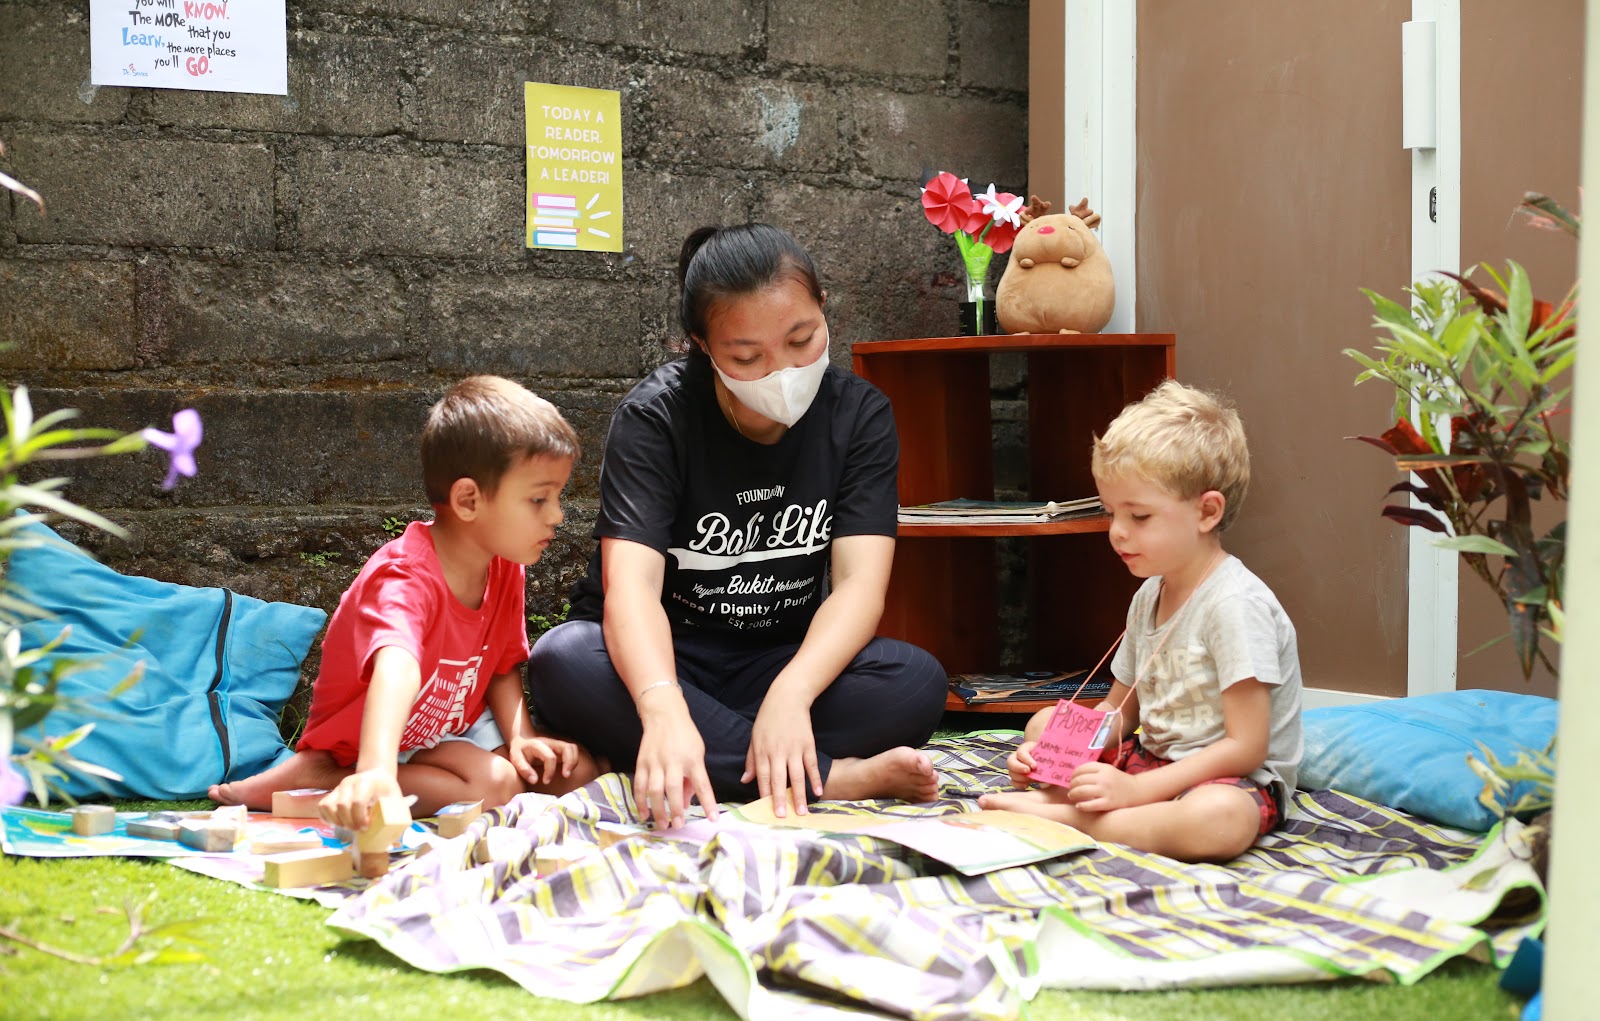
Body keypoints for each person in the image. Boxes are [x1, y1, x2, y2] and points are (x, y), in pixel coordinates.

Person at [527, 223, 948, 828]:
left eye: (802, 339)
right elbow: (632, 588)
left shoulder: (858, 415)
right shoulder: (657, 417)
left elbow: (860, 586)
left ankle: (700, 751)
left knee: (915, 683)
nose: (783, 370)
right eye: (747, 357)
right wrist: (664, 703)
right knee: (564, 658)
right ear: (702, 345)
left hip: (778, 658)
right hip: (660, 657)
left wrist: (792, 693)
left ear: (823, 308)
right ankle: (827, 778)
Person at [211, 376, 604, 828]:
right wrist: (376, 768)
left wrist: (521, 736)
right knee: (496, 785)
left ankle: (328, 784)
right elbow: (397, 665)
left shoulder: (504, 566)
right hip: (374, 736)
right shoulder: (405, 575)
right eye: (539, 499)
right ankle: (323, 780)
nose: (557, 515)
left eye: (557, 497)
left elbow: (499, 665)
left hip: (446, 728)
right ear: (468, 499)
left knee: (575, 774)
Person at [980, 381, 1302, 863]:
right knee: (1043, 723)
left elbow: (1247, 747)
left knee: (1218, 821)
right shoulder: (1148, 594)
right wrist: (1053, 755)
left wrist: (1136, 790)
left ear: (1207, 511)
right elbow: (1120, 713)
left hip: (1228, 781)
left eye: (1140, 516)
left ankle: (1073, 819)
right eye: (1111, 513)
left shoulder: (1236, 605)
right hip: (1150, 762)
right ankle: (1079, 803)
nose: (1117, 533)